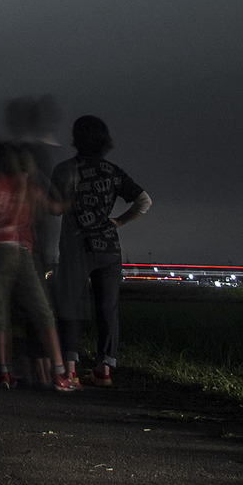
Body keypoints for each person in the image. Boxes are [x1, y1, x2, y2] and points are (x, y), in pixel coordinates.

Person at [50, 115, 151, 387]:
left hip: (75, 247)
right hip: (108, 248)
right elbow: (144, 201)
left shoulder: (64, 169)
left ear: (76, 139)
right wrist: (119, 221)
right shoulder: (113, 171)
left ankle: (69, 370)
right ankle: (104, 369)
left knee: (70, 305)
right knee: (108, 309)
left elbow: (52, 207)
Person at [0, 142, 79, 392]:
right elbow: (54, 207)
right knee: (42, 310)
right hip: (23, 250)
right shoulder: (27, 185)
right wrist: (71, 199)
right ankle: (59, 372)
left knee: (0, 313)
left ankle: (2, 371)